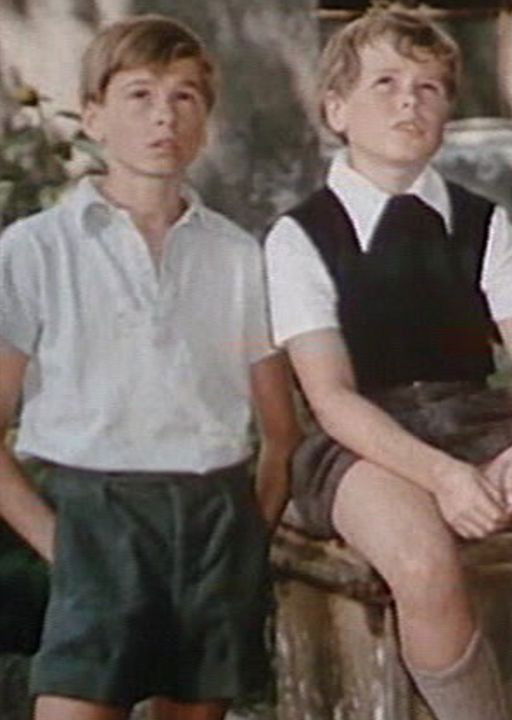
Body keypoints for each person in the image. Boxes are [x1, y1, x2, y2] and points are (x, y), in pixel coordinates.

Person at [261, 5, 512, 718]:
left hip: (480, 420)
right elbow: (331, 398)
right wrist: (444, 478)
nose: (410, 101)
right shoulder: (301, 235)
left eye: (428, 87)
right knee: (421, 558)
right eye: (386, 83)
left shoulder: (482, 223)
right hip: (359, 440)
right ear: (336, 109)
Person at [0, 15, 299, 720]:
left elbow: (282, 435)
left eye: (185, 97)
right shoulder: (35, 250)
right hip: (94, 512)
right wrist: (64, 546)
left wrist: (245, 543)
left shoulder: (237, 255)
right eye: (140, 95)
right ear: (94, 117)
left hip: (213, 517)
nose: (165, 116)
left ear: (205, 122)